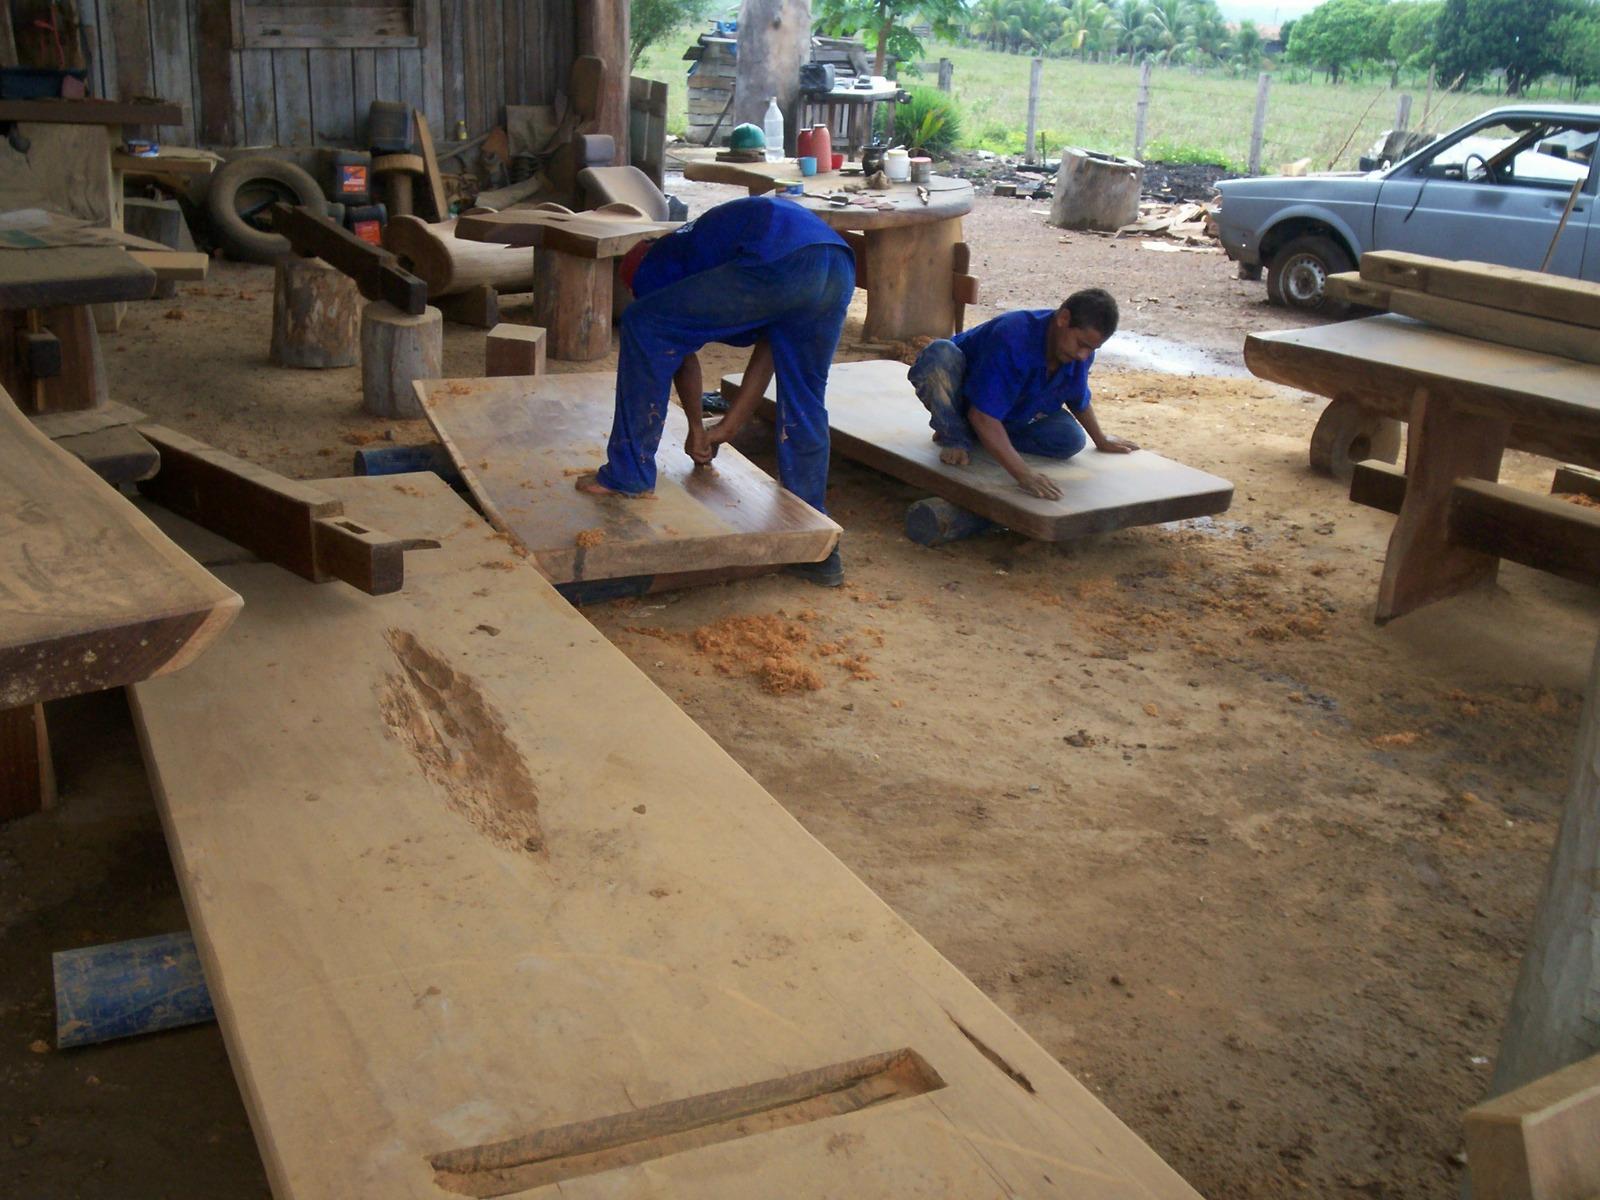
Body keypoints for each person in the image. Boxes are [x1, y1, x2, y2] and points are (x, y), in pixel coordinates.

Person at [575, 195, 855, 585]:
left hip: (781, 257)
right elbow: (772, 345)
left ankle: (627, 474)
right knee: (805, 400)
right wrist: (723, 426)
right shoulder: (698, 245)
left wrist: (694, 423)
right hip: (836, 263)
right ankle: (817, 548)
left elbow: (672, 349)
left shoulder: (656, 265)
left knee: (642, 322)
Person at [906, 288, 1136, 501]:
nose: (1083, 355)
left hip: (1008, 411)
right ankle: (955, 434)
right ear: (1063, 319)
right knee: (938, 355)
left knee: (1069, 439)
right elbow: (981, 415)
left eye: (1092, 349)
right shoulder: (1012, 335)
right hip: (966, 401)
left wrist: (1101, 439)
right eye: (1081, 344)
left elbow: (1077, 397)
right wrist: (1023, 475)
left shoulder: (1076, 352)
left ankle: (981, 436)